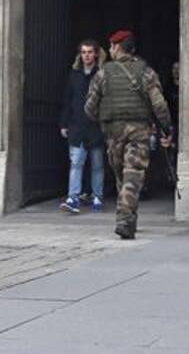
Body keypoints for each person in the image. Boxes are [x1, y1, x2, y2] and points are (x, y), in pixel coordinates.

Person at [84, 29, 173, 240]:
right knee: (131, 176)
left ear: (116, 47)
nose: (110, 50)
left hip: (114, 133)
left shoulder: (103, 74)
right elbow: (159, 105)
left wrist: (102, 118)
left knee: (124, 176)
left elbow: (89, 107)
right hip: (139, 131)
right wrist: (167, 128)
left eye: (111, 46)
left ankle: (124, 219)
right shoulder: (146, 73)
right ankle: (128, 218)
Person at [59, 40, 106, 213]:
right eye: (83, 52)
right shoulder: (74, 75)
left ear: (95, 54)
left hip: (95, 126)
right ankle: (73, 197)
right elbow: (67, 101)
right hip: (77, 126)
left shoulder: (101, 74)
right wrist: (63, 123)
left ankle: (97, 196)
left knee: (97, 164)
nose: (86, 55)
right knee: (76, 162)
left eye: (90, 52)